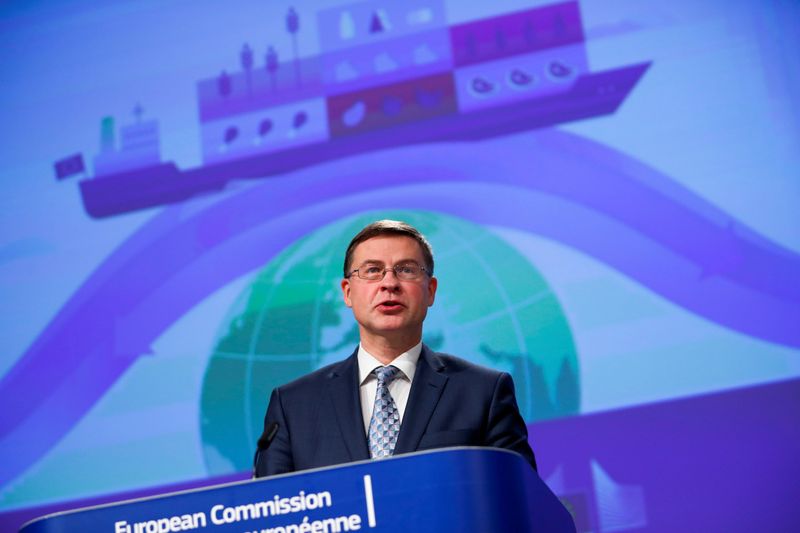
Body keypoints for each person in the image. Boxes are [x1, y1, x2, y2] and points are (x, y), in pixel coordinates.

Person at [254, 220, 536, 477]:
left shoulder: (483, 391)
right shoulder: (293, 406)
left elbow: (520, 502)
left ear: (430, 291)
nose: (389, 283)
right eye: (373, 271)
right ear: (348, 292)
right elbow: (271, 512)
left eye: (406, 270)